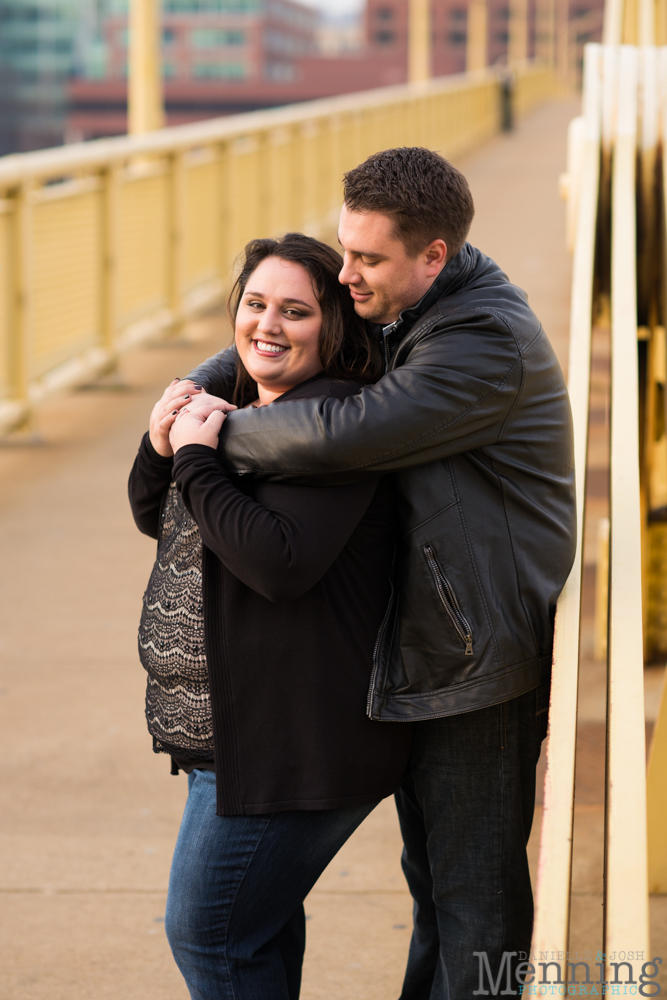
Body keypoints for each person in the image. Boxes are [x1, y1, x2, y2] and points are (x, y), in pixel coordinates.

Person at [181, 147, 577, 998]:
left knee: (473, 901)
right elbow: (293, 333)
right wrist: (203, 381)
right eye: (343, 248)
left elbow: (343, 433)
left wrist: (201, 440)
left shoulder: (482, 342)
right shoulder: (405, 300)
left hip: (477, 652)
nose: (345, 272)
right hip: (425, 635)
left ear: (432, 255)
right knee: (432, 884)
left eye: (366, 259)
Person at [128, 233, 413, 1000]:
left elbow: (279, 563)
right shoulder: (257, 411)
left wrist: (195, 460)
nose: (268, 325)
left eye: (295, 311)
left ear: (333, 328)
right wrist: (164, 450)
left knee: (210, 935)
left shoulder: (332, 428)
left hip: (294, 748)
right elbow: (162, 517)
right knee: (253, 934)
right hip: (241, 741)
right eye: (255, 305)